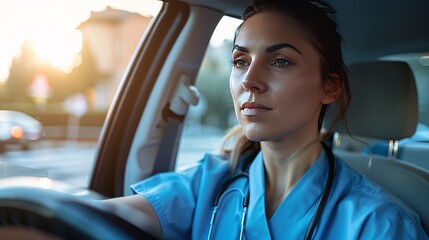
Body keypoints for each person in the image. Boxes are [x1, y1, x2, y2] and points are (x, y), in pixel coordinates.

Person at [106, 0, 429, 239]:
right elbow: (101, 219)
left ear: (330, 87)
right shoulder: (208, 182)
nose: (249, 80)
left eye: (280, 61)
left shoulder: (379, 224)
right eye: (240, 60)